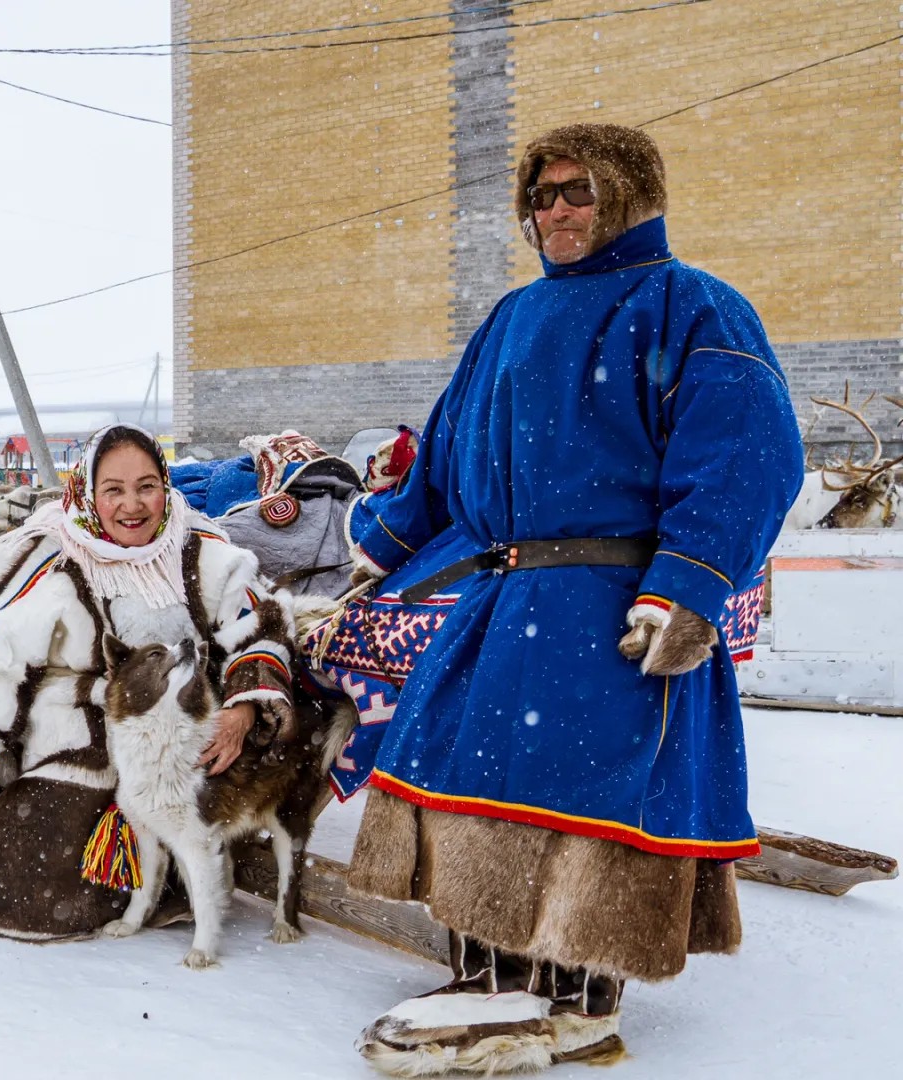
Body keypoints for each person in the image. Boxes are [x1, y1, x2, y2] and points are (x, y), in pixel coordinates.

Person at [334, 124, 804, 1074]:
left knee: (579, 796)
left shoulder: (695, 306)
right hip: (502, 600)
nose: (554, 211)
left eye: (576, 191)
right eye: (541, 196)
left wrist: (688, 588)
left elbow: (748, 459)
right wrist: (376, 548)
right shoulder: (509, 318)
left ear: (629, 194)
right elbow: (442, 458)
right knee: (464, 785)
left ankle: (578, 999)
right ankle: (482, 978)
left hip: (615, 606)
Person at [0, 423, 298, 939]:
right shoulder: (50, 557)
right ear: (88, 493)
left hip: (175, 736)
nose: (132, 505)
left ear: (165, 486)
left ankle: (168, 878)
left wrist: (244, 711)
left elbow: (262, 628)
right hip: (70, 725)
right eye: (113, 489)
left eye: (147, 486)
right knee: (24, 879)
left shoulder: (199, 551)